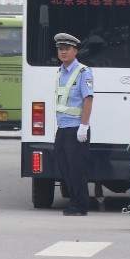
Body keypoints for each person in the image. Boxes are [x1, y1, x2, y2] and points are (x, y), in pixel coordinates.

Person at [51, 32, 94, 216]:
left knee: (77, 169)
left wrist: (83, 126)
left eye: (67, 49)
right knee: (63, 164)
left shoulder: (83, 72)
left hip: (77, 128)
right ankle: (74, 201)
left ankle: (80, 205)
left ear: (75, 51)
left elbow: (88, 99)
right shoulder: (60, 71)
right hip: (63, 128)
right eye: (60, 49)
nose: (63, 52)